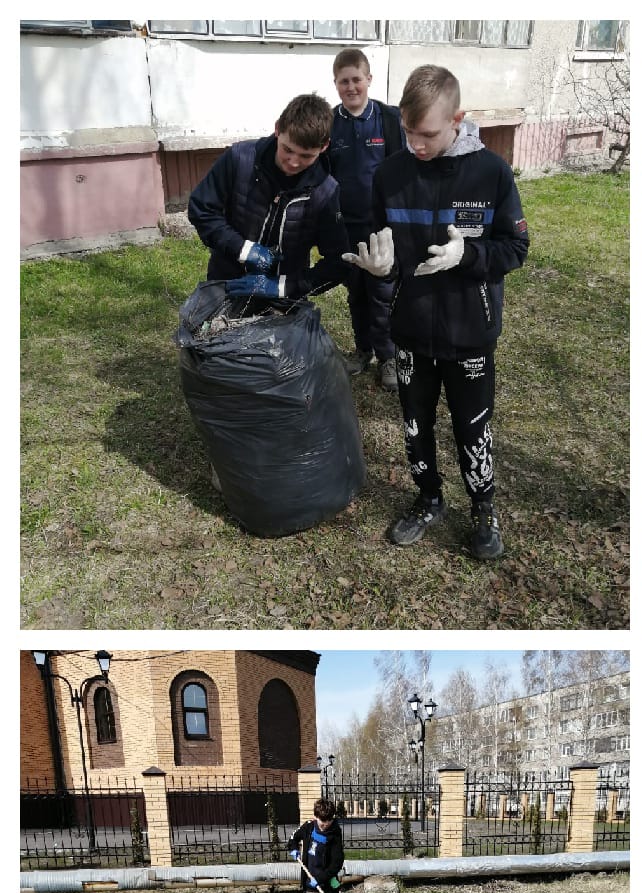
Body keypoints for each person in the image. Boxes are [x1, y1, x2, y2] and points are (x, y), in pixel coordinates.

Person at [347, 65, 528, 560]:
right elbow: (382, 246)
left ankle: (483, 509)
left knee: (472, 427)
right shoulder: (390, 175)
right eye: (407, 131)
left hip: (470, 332)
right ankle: (429, 500)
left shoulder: (491, 172)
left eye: (426, 134)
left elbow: (516, 248)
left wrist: (467, 256)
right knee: (415, 424)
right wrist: (380, 269)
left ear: (457, 120)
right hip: (411, 330)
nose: (416, 144)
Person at [187, 93, 349, 301]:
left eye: (306, 156)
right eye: (287, 150)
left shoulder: (325, 191)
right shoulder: (240, 159)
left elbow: (338, 262)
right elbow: (202, 209)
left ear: (324, 146)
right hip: (227, 284)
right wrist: (243, 249)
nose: (293, 162)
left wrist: (283, 287)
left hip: (283, 301)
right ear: (278, 129)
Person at [325, 48, 405, 389]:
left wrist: (398, 223)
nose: (351, 87)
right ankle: (362, 350)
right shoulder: (329, 122)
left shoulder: (388, 118)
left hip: (381, 226)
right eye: (344, 81)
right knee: (356, 292)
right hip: (347, 227)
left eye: (357, 79)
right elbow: (323, 177)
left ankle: (389, 356)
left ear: (368, 79)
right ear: (336, 84)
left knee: (382, 292)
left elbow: (401, 171)